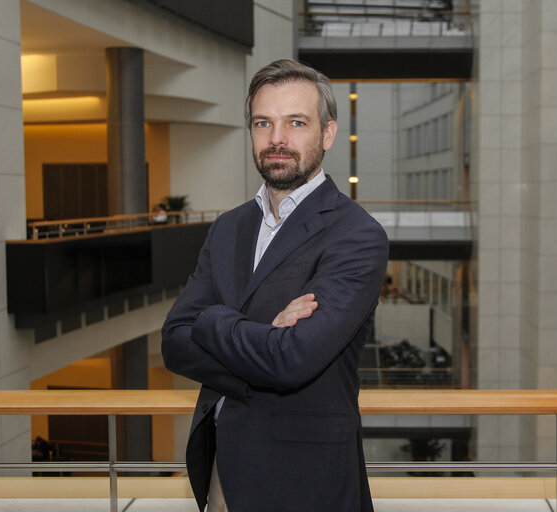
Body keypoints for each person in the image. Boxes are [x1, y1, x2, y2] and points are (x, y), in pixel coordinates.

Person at [162, 59, 388, 512]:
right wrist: (262, 336)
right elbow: (174, 342)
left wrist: (211, 320)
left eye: (295, 122)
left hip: (307, 483)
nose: (276, 138)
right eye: (263, 122)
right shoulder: (228, 228)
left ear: (327, 134)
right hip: (221, 477)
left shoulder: (357, 235)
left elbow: (291, 360)